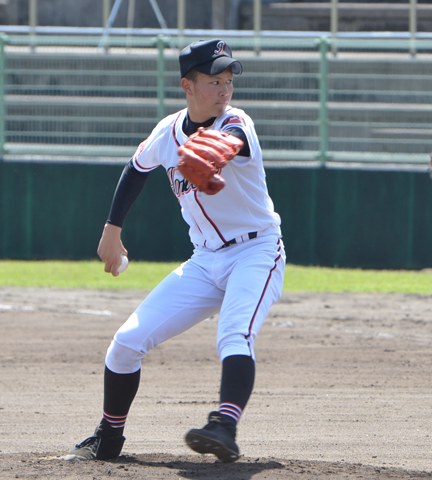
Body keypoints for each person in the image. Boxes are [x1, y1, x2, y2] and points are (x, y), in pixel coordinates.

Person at [65, 38, 286, 464]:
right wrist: (112, 229)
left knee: (234, 334)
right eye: (214, 81)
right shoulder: (168, 132)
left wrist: (221, 149)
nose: (225, 89)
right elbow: (136, 169)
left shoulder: (236, 122)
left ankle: (224, 425)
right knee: (126, 343)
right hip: (204, 261)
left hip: (256, 252)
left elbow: (235, 138)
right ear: (187, 85)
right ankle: (109, 437)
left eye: (228, 80)